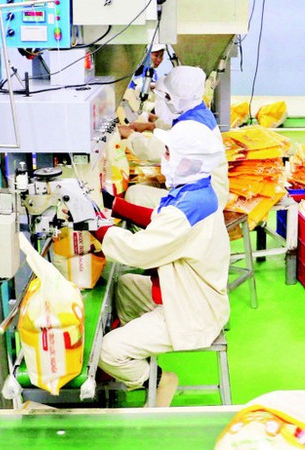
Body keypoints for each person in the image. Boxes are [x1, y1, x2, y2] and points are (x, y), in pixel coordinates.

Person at [96, 123, 230, 407]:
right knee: (126, 286)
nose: (164, 158)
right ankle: (137, 353)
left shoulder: (190, 207)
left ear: (188, 161)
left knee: (108, 351)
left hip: (192, 312)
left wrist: (93, 225)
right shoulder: (194, 191)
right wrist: (113, 205)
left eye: (169, 152)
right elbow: (159, 218)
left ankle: (158, 380)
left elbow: (138, 251)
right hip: (184, 293)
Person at [119, 66, 230, 212]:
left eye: (167, 97)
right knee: (147, 185)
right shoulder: (198, 111)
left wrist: (130, 136)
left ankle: (160, 233)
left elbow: (154, 149)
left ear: (178, 98)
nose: (165, 100)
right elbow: (175, 126)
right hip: (206, 192)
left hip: (199, 202)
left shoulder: (191, 127)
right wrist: (152, 125)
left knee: (134, 195)